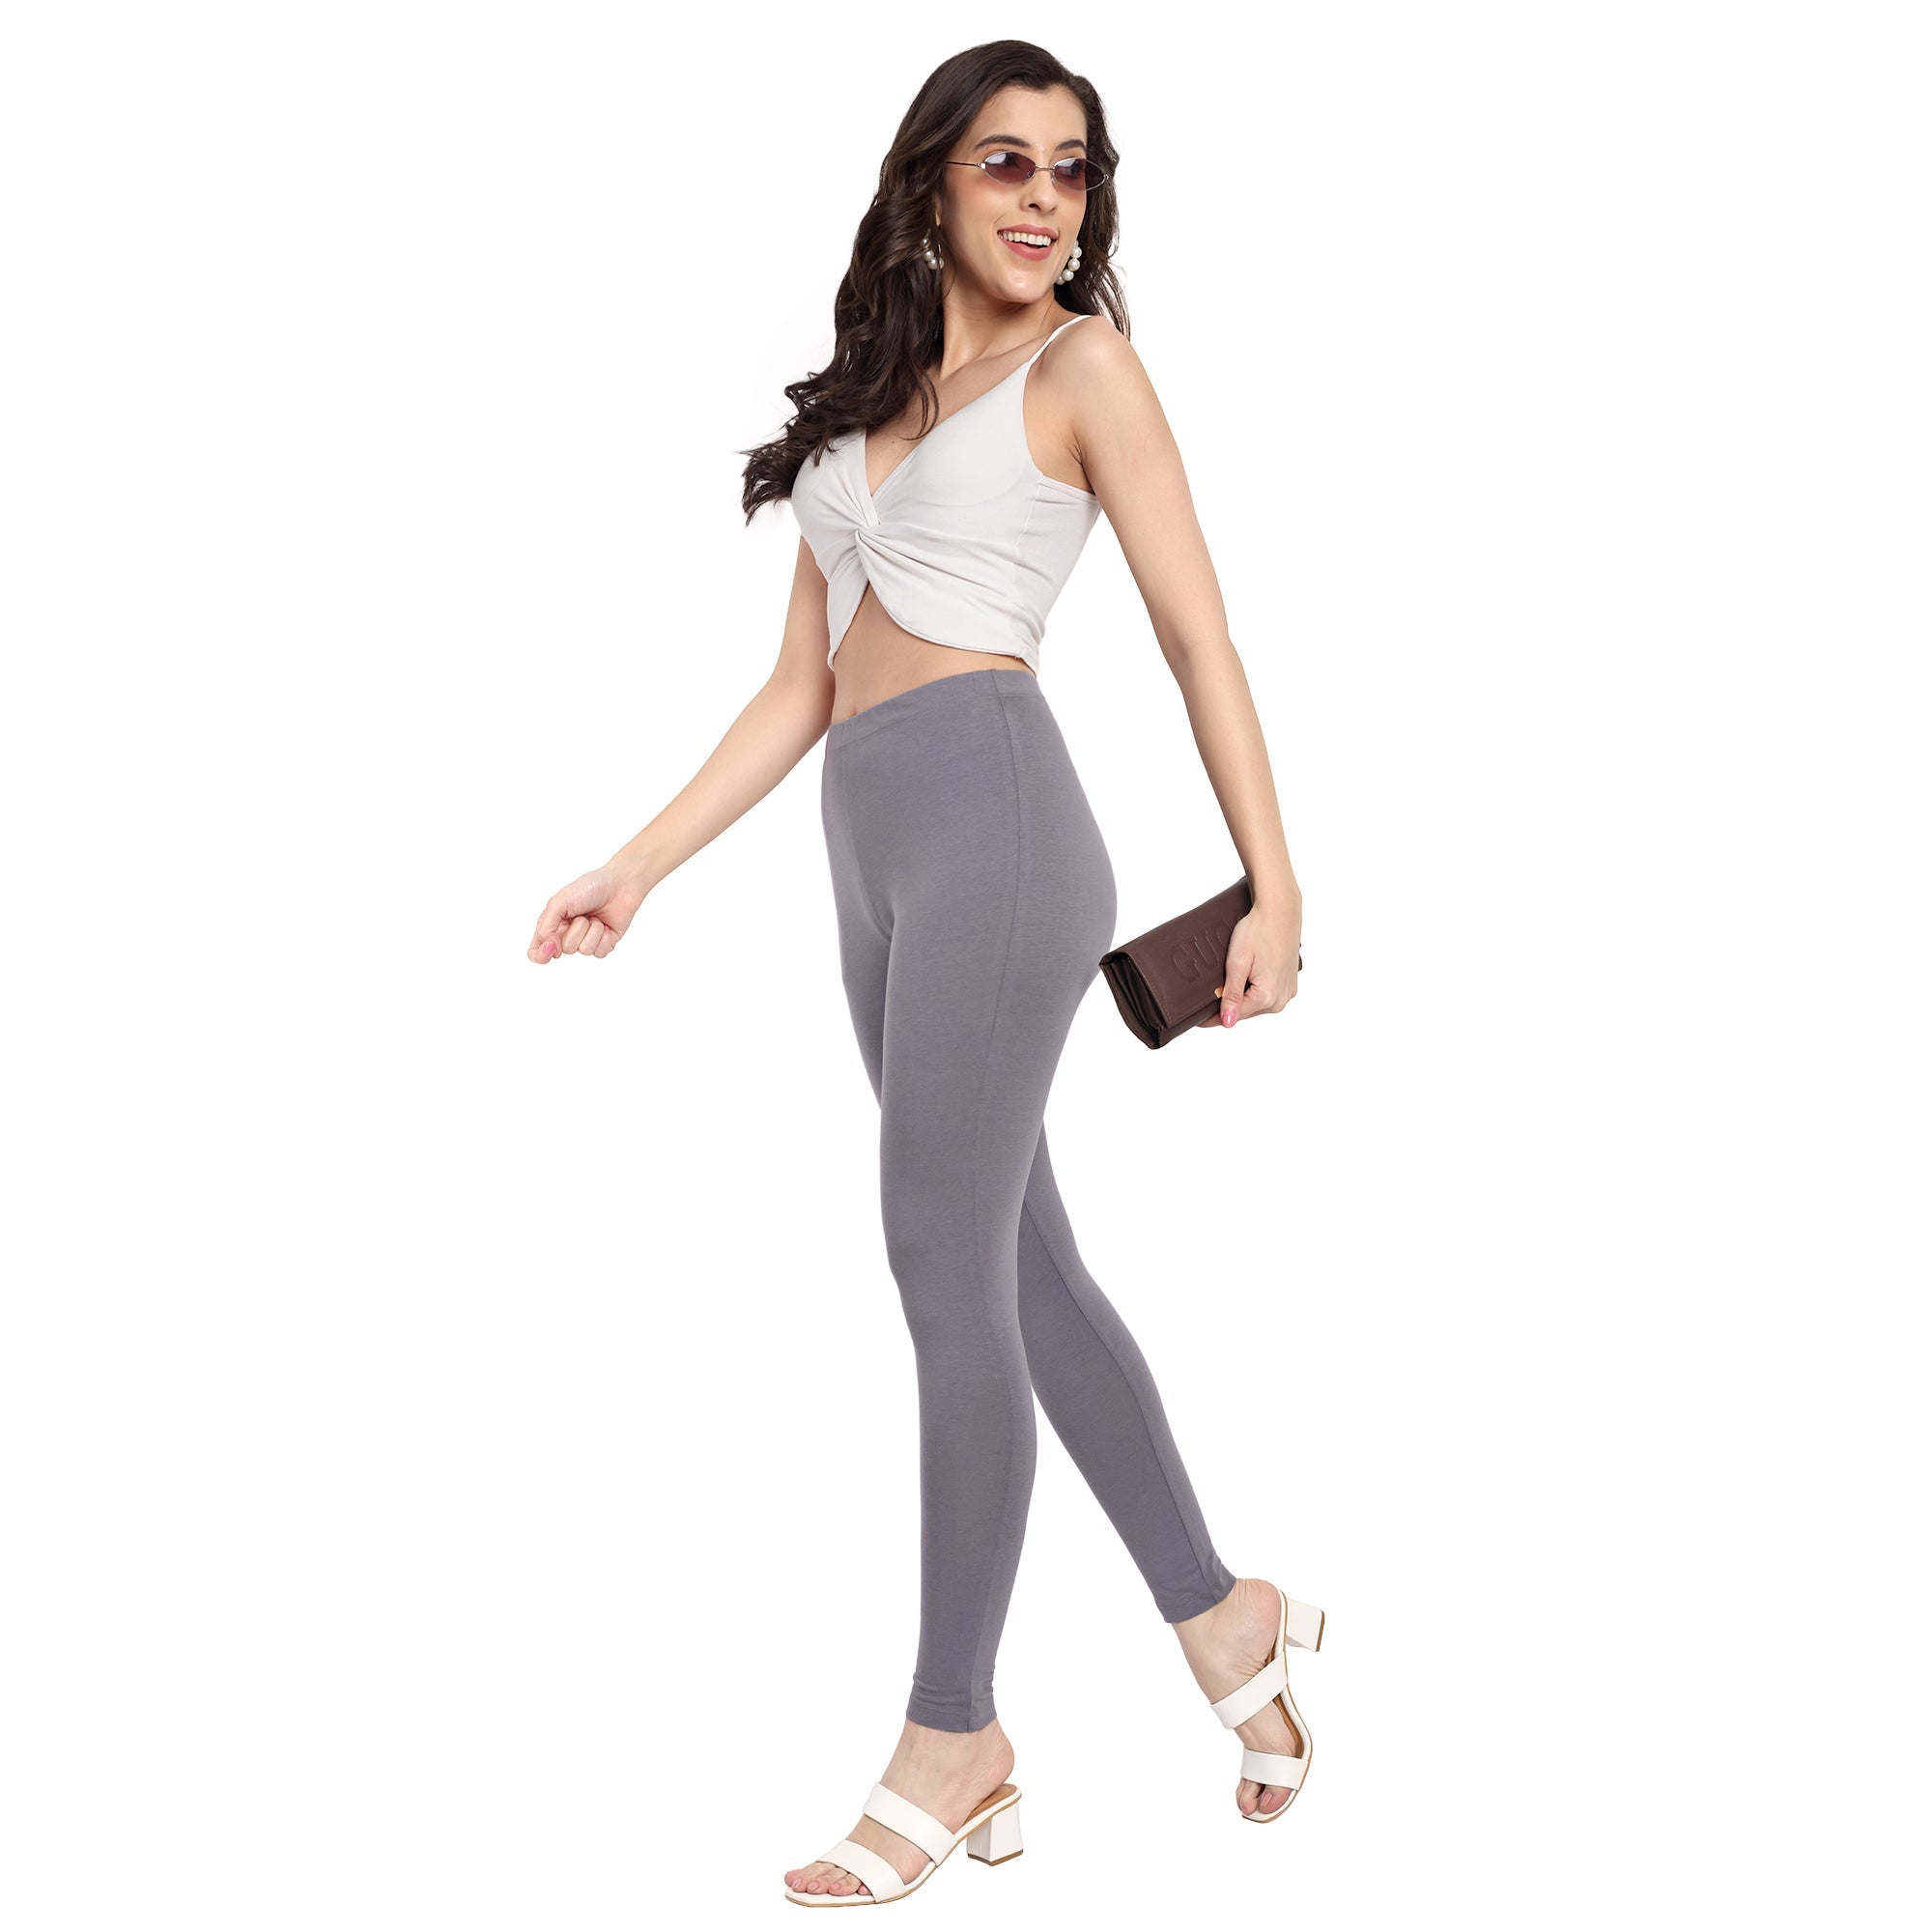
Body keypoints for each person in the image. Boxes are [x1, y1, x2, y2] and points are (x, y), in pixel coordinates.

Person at [527, 40, 1322, 1908]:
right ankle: (1228, 1618)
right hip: (872, 850)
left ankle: (953, 1735)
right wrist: (638, 863)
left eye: (1073, 169)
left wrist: (1277, 887)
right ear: (934, 185)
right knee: (1018, 1271)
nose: (1045, 198)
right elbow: (801, 686)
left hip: (1000, 824)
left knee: (940, 1272)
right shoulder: (869, 398)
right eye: (1007, 164)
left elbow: (1200, 638)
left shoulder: (1086, 369)